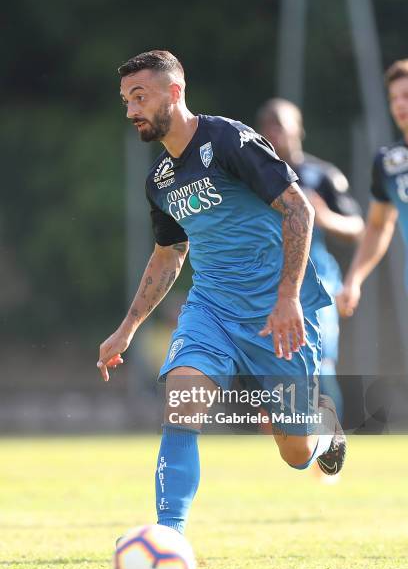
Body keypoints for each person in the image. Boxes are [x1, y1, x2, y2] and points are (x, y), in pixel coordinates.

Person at [97, 50, 346, 535]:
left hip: (276, 313)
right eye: (127, 100)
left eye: (140, 96)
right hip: (210, 308)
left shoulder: (229, 140)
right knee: (182, 402)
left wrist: (288, 297)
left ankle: (323, 428)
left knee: (295, 452)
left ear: (175, 91)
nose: (131, 110)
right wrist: (127, 328)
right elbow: (169, 254)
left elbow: (299, 210)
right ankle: (168, 537)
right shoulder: (161, 181)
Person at [256, 98, 364, 423]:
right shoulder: (253, 177)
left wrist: (325, 217)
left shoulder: (322, 175)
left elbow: (358, 226)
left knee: (322, 362)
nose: (276, 132)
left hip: (317, 283)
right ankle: (283, 444)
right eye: (269, 126)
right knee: (271, 363)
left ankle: (329, 447)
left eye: (282, 125)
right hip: (268, 283)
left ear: (298, 129)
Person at [337, 59, 408, 317]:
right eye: (394, 98)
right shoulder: (389, 163)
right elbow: (379, 225)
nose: (399, 104)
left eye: (406, 96)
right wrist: (354, 279)